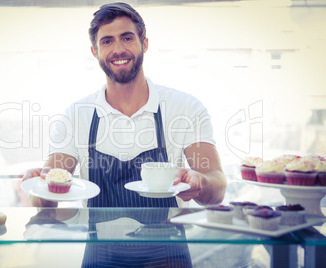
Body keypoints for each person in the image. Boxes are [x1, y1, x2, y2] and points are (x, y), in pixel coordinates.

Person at [22, 3, 227, 267]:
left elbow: (218, 187)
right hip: (100, 258)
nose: (118, 49)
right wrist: (36, 185)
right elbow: (47, 199)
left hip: (169, 258)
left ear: (145, 43)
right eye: (107, 41)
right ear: (95, 51)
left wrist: (200, 182)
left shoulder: (185, 108)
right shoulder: (76, 116)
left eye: (127, 38)